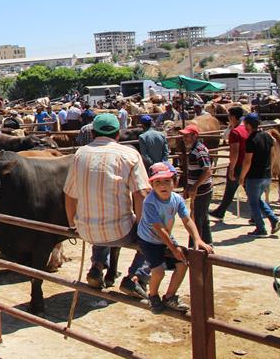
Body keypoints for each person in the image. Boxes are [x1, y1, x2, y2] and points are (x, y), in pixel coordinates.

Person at [64, 113, 151, 299]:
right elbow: (141, 193)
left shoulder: (79, 154)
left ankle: (96, 266)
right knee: (156, 236)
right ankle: (136, 278)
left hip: (86, 231)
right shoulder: (130, 154)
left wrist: (73, 224)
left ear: (93, 133)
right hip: (121, 231)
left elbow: (69, 194)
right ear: (118, 134)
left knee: (100, 218)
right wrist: (143, 226)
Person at [137, 163, 213, 314]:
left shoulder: (177, 199)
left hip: (165, 237)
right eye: (158, 182)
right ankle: (153, 296)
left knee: (183, 264)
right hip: (149, 240)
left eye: (167, 181)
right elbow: (158, 228)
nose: (162, 185)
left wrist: (197, 238)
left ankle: (170, 296)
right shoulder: (150, 201)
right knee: (158, 271)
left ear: (175, 182)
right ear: (151, 185)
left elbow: (187, 220)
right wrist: (173, 248)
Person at [239, 113, 280, 236]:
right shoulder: (267, 136)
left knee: (253, 202)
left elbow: (247, 162)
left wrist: (242, 176)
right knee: (257, 200)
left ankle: (260, 228)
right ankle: (273, 220)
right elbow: (274, 141)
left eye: (245, 124)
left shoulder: (251, 140)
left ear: (248, 125)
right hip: (266, 175)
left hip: (254, 176)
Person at [210, 107, 248, 221]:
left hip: (238, 165)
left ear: (232, 117)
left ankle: (271, 217)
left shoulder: (235, 132)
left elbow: (234, 152)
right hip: (246, 163)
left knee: (232, 189)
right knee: (244, 190)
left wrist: (231, 167)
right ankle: (220, 211)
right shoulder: (246, 129)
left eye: (229, 116)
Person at [179, 124, 213, 246]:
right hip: (201, 189)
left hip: (202, 191)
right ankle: (207, 243)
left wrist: (194, 186)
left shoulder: (198, 151)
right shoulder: (196, 150)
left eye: (187, 136)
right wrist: (189, 186)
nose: (184, 138)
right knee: (202, 218)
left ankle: (194, 246)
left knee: (196, 219)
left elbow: (207, 171)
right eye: (184, 136)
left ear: (194, 136)